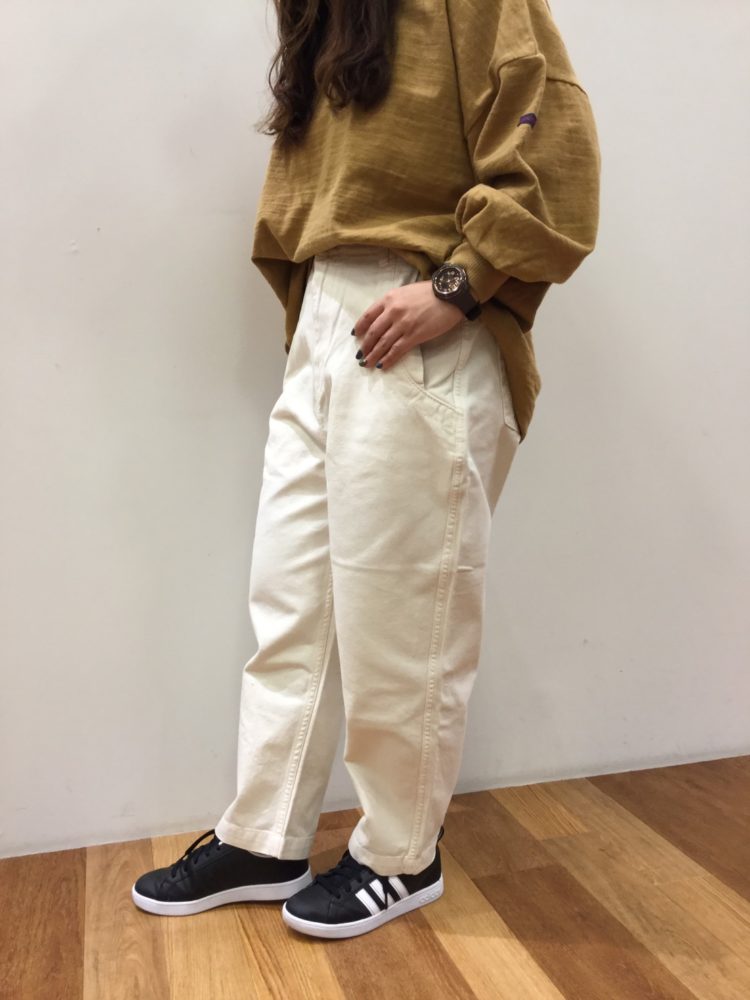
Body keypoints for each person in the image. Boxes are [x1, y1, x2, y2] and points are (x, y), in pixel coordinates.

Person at [131, 0, 600, 939]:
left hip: (421, 314)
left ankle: (401, 854)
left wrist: (460, 285)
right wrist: (314, 314)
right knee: (292, 604)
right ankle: (266, 835)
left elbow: (556, 146)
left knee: (403, 620)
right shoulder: (324, 14)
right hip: (329, 320)